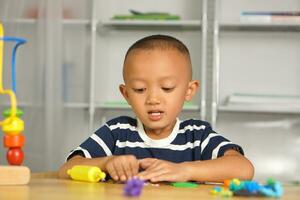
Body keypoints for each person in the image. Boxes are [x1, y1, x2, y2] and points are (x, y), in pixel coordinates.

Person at [58, 35, 254, 183]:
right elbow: (67, 169)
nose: (153, 99)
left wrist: (185, 171)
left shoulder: (197, 136)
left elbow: (244, 168)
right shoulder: (116, 133)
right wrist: (106, 162)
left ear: (189, 90)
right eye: (140, 89)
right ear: (126, 94)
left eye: (167, 88)